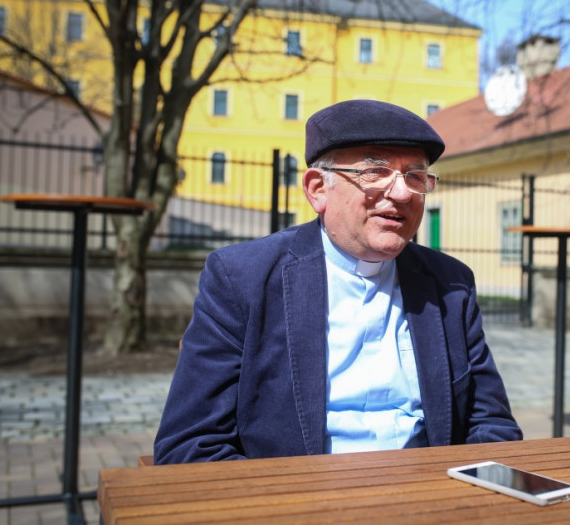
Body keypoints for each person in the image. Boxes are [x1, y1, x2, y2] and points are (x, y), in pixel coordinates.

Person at [154, 100, 522, 463]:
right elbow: (190, 445)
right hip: (300, 494)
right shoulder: (242, 278)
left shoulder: (450, 284)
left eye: (415, 176)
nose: (402, 193)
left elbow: (491, 424)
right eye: (375, 172)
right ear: (318, 189)